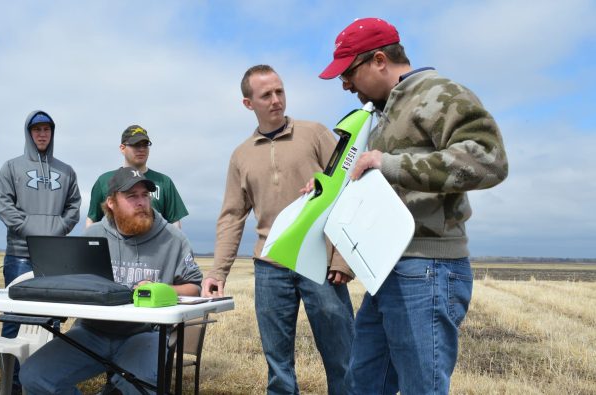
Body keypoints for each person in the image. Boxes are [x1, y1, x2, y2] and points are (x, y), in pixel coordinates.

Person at [318, 17, 508, 394]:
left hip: (428, 268)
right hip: (388, 268)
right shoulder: (383, 112)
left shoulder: (438, 93)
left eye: (348, 73)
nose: (345, 84)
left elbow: (490, 160)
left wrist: (388, 164)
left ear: (378, 60)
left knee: (423, 387)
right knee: (363, 385)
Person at [201, 65, 355, 394]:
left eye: (280, 91)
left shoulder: (315, 133)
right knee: (278, 365)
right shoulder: (241, 155)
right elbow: (231, 215)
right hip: (270, 266)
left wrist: (343, 259)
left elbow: (347, 190)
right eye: (266, 95)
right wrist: (218, 270)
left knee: (343, 359)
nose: (276, 100)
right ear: (248, 103)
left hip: (320, 264)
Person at [19, 166, 203, 395]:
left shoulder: (173, 239)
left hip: (145, 334)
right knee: (34, 376)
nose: (141, 202)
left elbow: (194, 288)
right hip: (89, 332)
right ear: (111, 203)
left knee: (138, 386)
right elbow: (73, 285)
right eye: (131, 196)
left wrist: (162, 290)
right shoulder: (92, 235)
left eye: (145, 195)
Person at [0, 110, 81, 392]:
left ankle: (43, 382)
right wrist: (32, 230)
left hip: (54, 256)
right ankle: (13, 383)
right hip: (20, 255)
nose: (42, 134)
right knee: (14, 319)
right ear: (28, 133)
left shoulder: (66, 171)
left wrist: (57, 230)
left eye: (46, 129)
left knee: (51, 321)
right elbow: (4, 207)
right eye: (37, 130)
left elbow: (74, 207)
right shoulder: (11, 167)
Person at [85, 124, 188, 228]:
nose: (141, 149)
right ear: (122, 148)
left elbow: (174, 223)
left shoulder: (164, 182)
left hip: (155, 243)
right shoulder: (104, 181)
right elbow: (92, 220)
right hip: (114, 242)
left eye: (145, 145)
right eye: (136, 145)